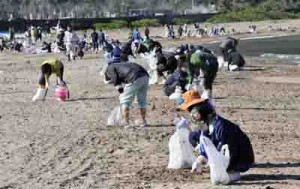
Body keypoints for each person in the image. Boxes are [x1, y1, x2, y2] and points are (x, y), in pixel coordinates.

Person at [179, 90, 254, 182]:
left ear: (199, 114)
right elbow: (205, 147)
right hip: (229, 155)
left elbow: (230, 150)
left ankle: (232, 170)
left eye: (194, 114)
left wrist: (222, 169)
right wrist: (199, 161)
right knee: (193, 136)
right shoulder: (207, 127)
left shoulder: (220, 127)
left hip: (240, 160)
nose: (192, 117)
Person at [104, 62, 149, 127]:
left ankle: (126, 123)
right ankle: (144, 121)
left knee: (124, 101)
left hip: (134, 77)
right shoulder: (120, 65)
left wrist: (119, 89)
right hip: (145, 76)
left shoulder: (109, 68)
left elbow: (115, 78)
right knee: (142, 100)